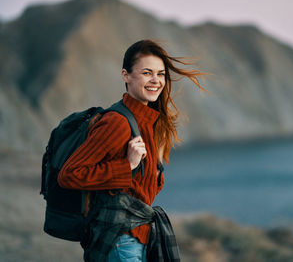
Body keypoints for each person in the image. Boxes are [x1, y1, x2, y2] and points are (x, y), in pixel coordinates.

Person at [57, 39, 209, 262]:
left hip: (138, 238)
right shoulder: (115, 122)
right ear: (126, 75)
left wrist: (155, 165)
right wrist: (127, 166)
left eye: (161, 74)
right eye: (147, 73)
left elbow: (142, 192)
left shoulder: (149, 123)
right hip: (119, 240)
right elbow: (69, 175)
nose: (156, 80)